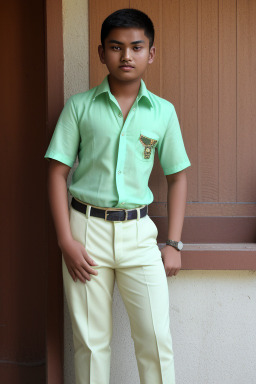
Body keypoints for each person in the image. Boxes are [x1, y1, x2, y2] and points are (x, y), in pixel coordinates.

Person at [45, 8, 191, 384]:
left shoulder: (163, 112)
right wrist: (66, 241)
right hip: (85, 232)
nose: (126, 55)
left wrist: (173, 242)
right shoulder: (80, 107)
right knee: (91, 345)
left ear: (150, 53)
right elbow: (57, 173)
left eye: (136, 47)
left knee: (156, 340)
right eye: (116, 47)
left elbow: (177, 177)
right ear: (101, 53)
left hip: (139, 234)